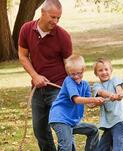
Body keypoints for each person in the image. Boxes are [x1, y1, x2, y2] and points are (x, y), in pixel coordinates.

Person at [18, 0, 72, 150]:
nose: (56, 21)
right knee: (40, 130)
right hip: (38, 89)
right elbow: (22, 56)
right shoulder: (26, 29)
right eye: (53, 17)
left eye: (58, 18)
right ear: (42, 12)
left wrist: (76, 90)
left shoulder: (63, 36)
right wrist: (35, 76)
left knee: (62, 127)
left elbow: (69, 65)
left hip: (58, 89)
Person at [49, 54, 104, 151]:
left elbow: (90, 104)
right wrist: (94, 99)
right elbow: (77, 99)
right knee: (66, 146)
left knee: (93, 130)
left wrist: (99, 102)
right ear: (68, 73)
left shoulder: (85, 85)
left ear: (83, 70)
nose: (76, 76)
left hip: (72, 122)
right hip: (60, 119)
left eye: (79, 73)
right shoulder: (68, 81)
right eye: (72, 74)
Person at [92, 58, 123, 151]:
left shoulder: (115, 80)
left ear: (111, 70)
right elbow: (101, 92)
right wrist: (111, 95)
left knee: (119, 148)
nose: (104, 72)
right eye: (100, 70)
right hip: (108, 125)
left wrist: (118, 94)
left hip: (119, 121)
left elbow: (119, 90)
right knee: (101, 149)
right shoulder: (97, 85)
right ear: (96, 73)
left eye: (106, 69)